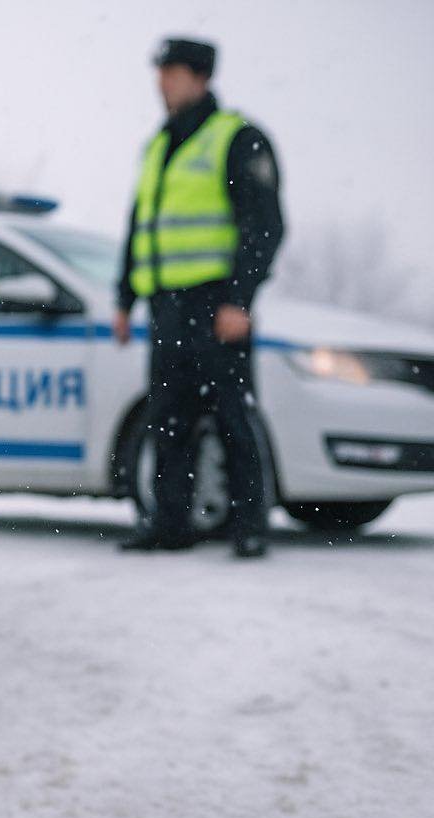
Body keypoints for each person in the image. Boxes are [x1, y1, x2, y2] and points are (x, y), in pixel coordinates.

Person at [114, 37, 285, 558]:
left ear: (201, 78)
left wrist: (241, 299)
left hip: (217, 307)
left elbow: (264, 226)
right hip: (166, 306)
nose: (162, 83)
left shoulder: (236, 137)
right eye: (160, 73)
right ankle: (170, 524)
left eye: (172, 73)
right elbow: (141, 226)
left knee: (234, 416)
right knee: (169, 419)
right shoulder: (158, 145)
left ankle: (249, 526)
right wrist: (124, 298)